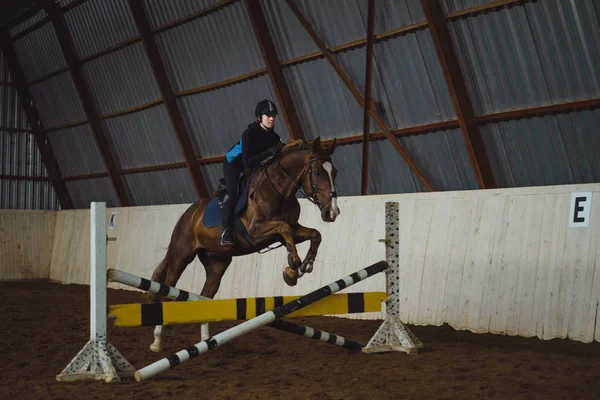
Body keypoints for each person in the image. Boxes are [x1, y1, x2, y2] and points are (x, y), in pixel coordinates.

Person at [220, 99, 286, 246]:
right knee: (232, 192)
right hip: (234, 163)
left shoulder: (274, 137)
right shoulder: (248, 134)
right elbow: (247, 162)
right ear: (259, 118)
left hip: (254, 165)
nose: (271, 118)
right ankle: (226, 230)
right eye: (268, 115)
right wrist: (269, 152)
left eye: (273, 116)